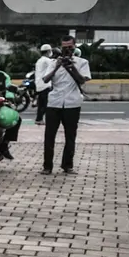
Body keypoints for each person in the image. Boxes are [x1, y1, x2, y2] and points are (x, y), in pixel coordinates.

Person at [40, 35, 91, 174]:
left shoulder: (82, 62)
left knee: (70, 136)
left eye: (70, 47)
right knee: (49, 136)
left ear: (74, 47)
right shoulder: (53, 62)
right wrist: (57, 67)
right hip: (54, 102)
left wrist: (71, 67)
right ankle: (47, 166)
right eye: (64, 48)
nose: (67, 50)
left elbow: (82, 80)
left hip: (72, 103)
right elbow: (45, 79)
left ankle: (67, 165)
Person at [34, 43, 55, 125]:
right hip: (45, 85)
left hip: (39, 85)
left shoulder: (39, 60)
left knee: (41, 104)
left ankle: (39, 119)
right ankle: (41, 119)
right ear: (48, 51)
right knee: (46, 104)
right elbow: (54, 65)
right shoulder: (47, 60)